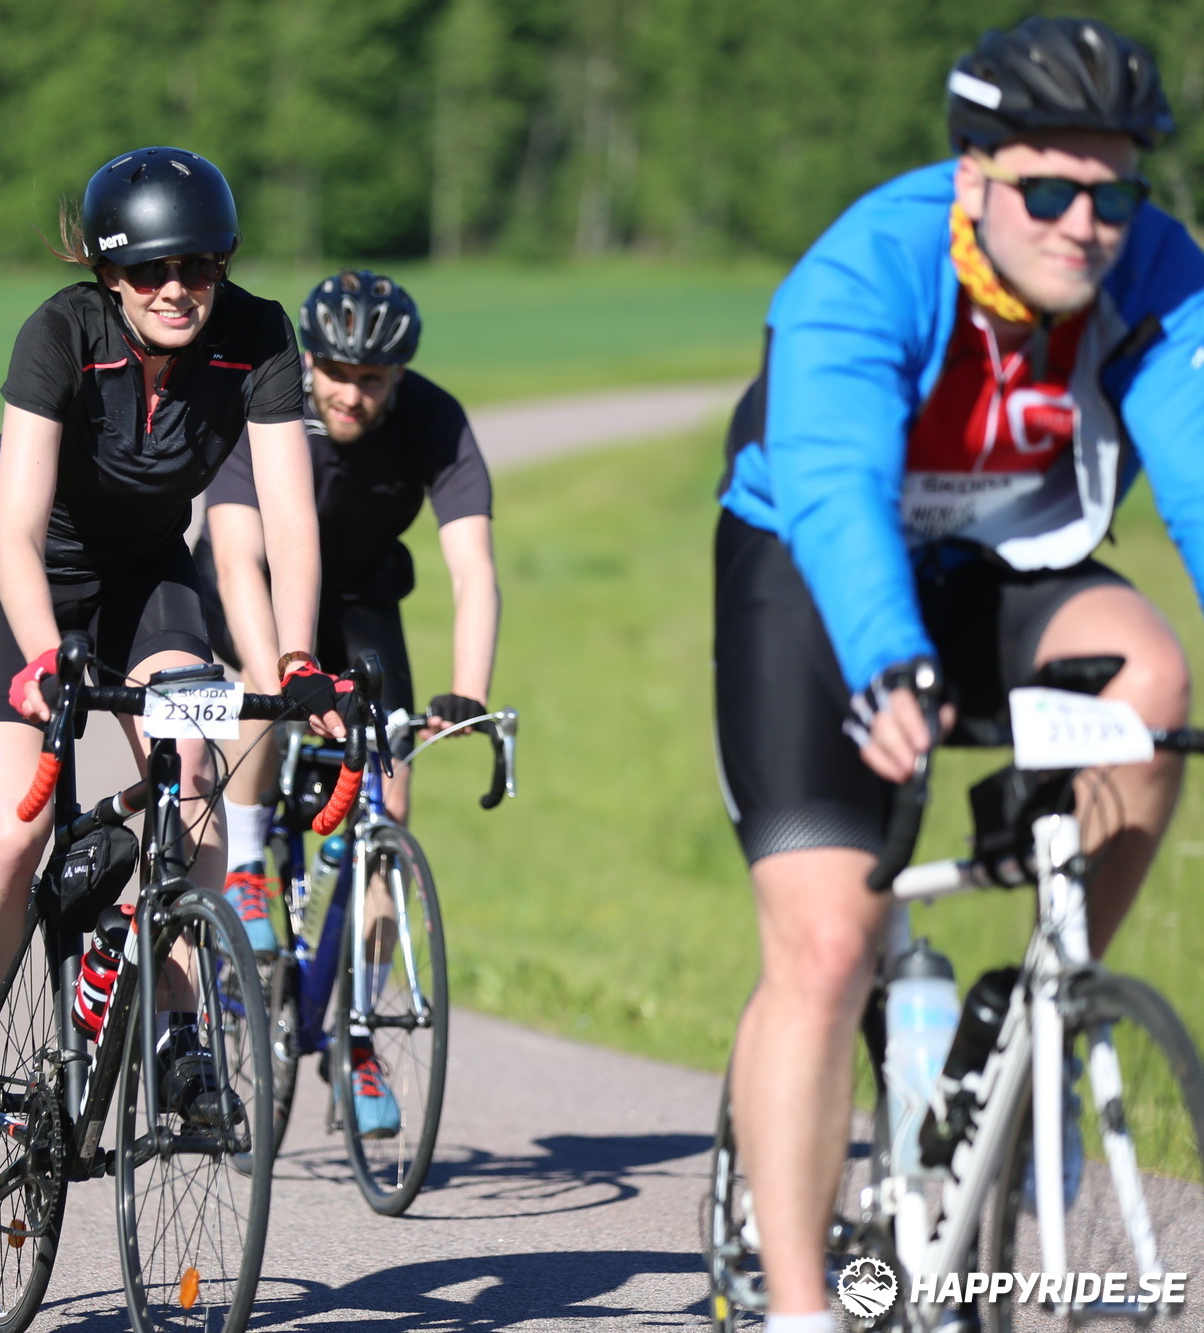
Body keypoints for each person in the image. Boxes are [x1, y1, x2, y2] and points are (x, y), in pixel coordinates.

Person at [712, 19, 1202, 1333]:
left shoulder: (1158, 269)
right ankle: (800, 1306)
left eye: (1112, 194)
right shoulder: (866, 267)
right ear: (974, 175)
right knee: (828, 939)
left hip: (998, 564)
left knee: (1152, 675)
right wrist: (889, 662)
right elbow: (834, 488)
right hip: (815, 573)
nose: (1083, 226)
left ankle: (1048, 1000)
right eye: (1047, 191)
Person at [0, 147, 346, 1200]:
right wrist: (43, 661)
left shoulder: (258, 336)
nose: (176, 289)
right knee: (11, 835)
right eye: (151, 270)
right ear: (110, 274)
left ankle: (179, 1035)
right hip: (12, 581)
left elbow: (290, 517)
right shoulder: (62, 334)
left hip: (142, 581)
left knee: (191, 781)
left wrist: (295, 657)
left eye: (199, 266)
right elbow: (18, 532)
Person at [196, 269, 499, 1139]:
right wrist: (278, 677)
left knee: (388, 803)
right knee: (257, 695)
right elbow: (235, 558)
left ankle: (357, 1034)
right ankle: (246, 866)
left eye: (372, 378)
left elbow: (473, 570)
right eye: (335, 372)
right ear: (311, 362)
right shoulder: (269, 405)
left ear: (399, 374)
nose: (351, 394)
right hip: (251, 587)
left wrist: (469, 691)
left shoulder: (435, 420)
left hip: (360, 597)